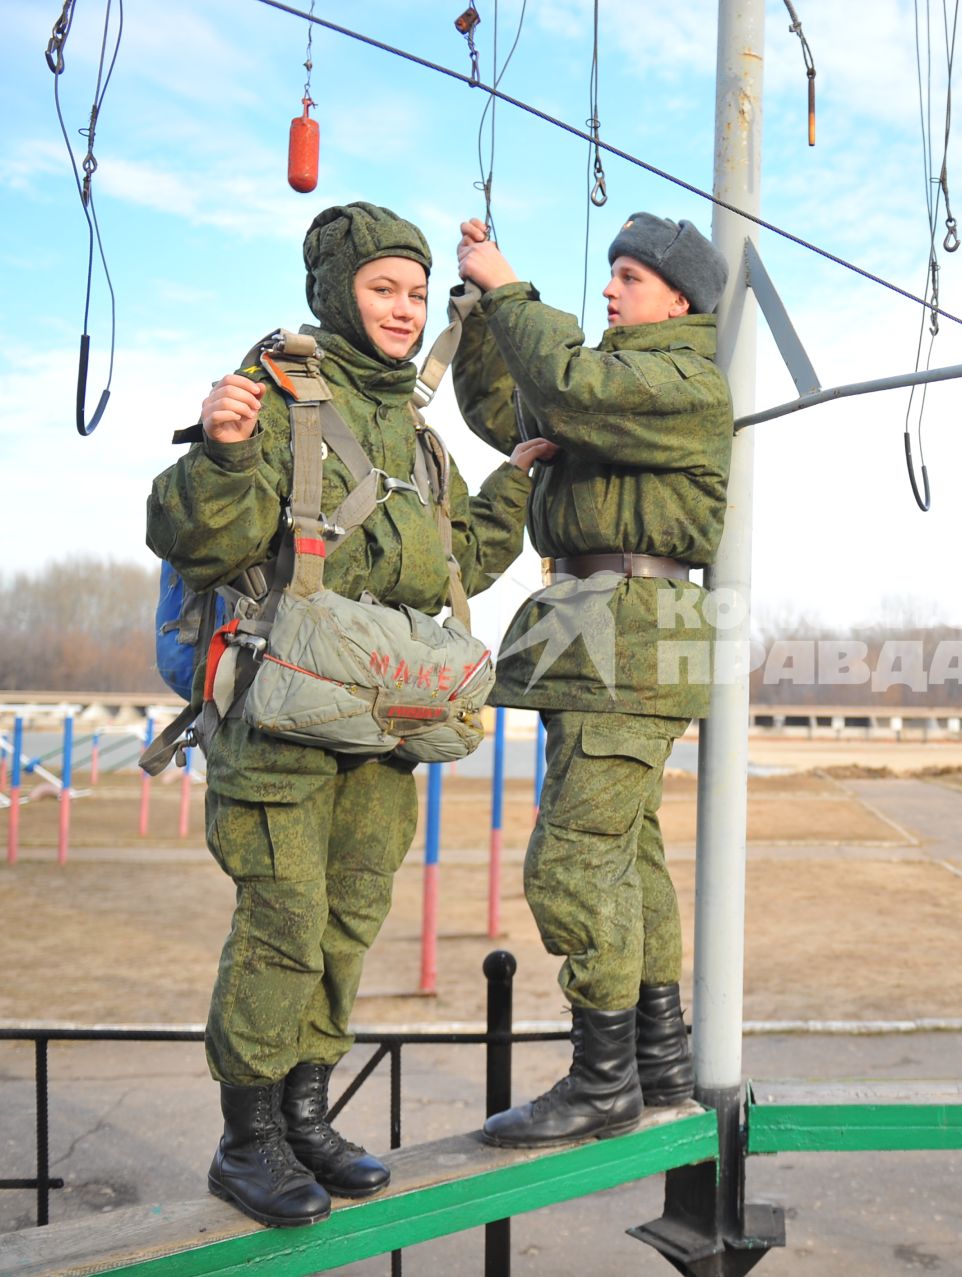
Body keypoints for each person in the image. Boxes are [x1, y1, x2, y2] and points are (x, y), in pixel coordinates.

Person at [146, 202, 545, 1226]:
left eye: (418, 293)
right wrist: (226, 451)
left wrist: (512, 485)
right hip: (278, 722)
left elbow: (450, 567)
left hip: (380, 725)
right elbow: (196, 536)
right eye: (384, 287)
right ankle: (249, 1140)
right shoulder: (278, 393)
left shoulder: (414, 427)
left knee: (347, 921)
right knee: (281, 922)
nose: (407, 309)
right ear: (338, 291)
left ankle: (307, 1113)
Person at [450, 211, 732, 1146]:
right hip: (600, 631)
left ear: (679, 299)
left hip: (637, 633)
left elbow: (564, 382)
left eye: (628, 278)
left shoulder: (681, 380)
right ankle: (655, 1062)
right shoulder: (614, 389)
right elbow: (513, 407)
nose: (610, 290)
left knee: (571, 862)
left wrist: (510, 290)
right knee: (626, 855)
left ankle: (601, 1080)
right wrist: (484, 317)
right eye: (610, 275)